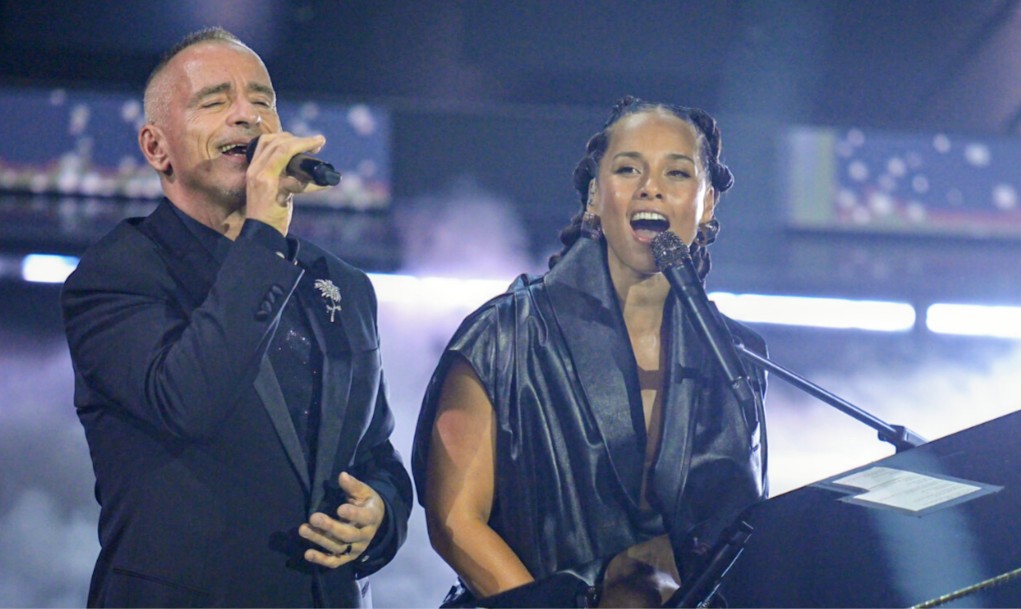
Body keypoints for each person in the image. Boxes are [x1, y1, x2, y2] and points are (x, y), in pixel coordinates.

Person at [61, 27, 412, 607]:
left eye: (262, 100)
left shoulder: (344, 285)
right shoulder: (118, 273)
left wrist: (379, 515)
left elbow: (377, 455)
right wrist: (264, 232)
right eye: (215, 101)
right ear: (156, 148)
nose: (248, 115)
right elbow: (188, 401)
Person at [412, 96, 768, 608]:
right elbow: (455, 522)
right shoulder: (504, 334)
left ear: (707, 203)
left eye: (677, 173)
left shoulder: (739, 359)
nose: (651, 187)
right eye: (628, 169)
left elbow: (742, 537)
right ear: (595, 195)